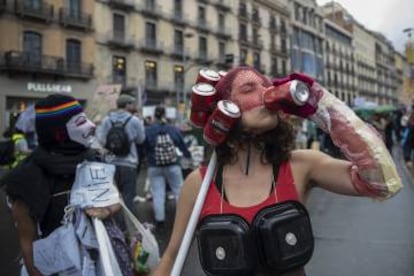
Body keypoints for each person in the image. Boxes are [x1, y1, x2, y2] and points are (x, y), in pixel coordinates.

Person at [153, 67, 402, 276]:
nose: (266, 94)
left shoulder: (302, 165)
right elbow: (173, 256)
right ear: (222, 108)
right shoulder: (198, 184)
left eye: (267, 86)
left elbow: (382, 180)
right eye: (250, 89)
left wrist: (321, 103)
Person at [0, 94, 130, 275]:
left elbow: (116, 198)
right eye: (80, 122)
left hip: (100, 262)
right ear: (60, 134)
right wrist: (33, 270)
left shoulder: (95, 160)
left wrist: (106, 210)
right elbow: (26, 239)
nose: (91, 126)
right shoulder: (27, 177)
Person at [96, 94, 145, 215]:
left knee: (114, 199)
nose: (134, 105)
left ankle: (121, 230)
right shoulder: (134, 120)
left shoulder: (107, 120)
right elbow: (141, 140)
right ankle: (133, 229)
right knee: (129, 198)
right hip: (129, 164)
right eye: (132, 103)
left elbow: (101, 140)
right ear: (127, 105)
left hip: (110, 163)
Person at [144, 106, 191, 227]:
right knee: (178, 191)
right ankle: (183, 218)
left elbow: (143, 146)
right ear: (165, 115)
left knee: (157, 193)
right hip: (172, 165)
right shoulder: (172, 129)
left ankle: (160, 220)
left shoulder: (148, 130)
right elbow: (182, 145)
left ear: (154, 115)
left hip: (154, 166)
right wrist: (188, 156)